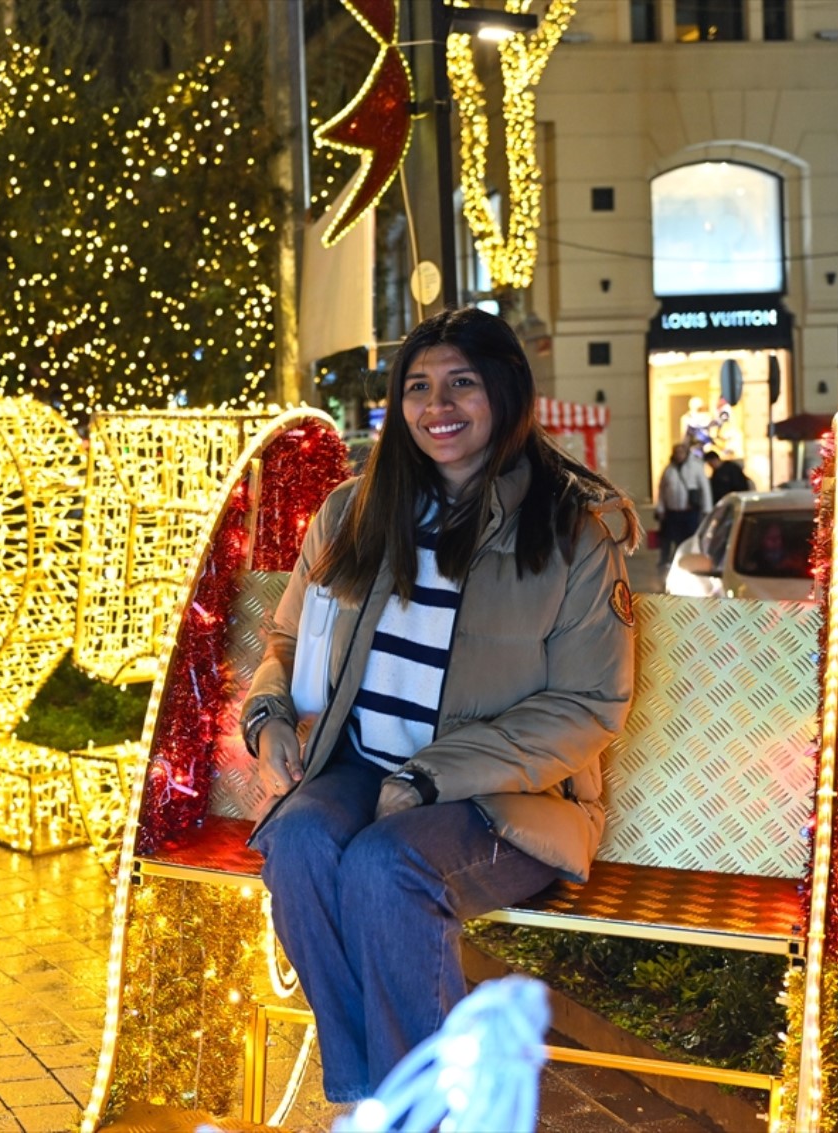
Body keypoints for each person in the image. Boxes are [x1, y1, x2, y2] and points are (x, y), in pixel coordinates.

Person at [240, 307, 638, 1104]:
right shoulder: (354, 512)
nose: (437, 406)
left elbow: (593, 704)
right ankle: (381, 1105)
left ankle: (421, 1115)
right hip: (362, 766)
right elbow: (285, 639)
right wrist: (269, 715)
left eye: (461, 382)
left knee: (387, 870)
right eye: (418, 386)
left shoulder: (571, 533)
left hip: (511, 800)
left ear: (504, 392)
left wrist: (429, 777)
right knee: (301, 845)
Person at [655, 441, 711, 567]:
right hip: (673, 511)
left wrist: (707, 508)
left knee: (690, 537)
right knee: (672, 537)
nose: (679, 455)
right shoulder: (669, 470)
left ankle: (689, 558)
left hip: (690, 510)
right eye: (676, 453)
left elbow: (704, 488)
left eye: (681, 452)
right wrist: (660, 507)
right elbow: (662, 490)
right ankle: (672, 559)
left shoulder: (696, 467)